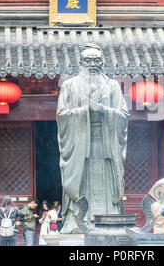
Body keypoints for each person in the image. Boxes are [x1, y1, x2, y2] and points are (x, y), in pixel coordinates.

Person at [56, 43, 129, 234]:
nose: (92, 64)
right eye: (88, 60)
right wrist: (84, 111)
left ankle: (110, 220)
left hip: (105, 146)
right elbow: (62, 115)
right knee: (81, 181)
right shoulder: (69, 86)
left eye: (97, 60)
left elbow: (123, 114)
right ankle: (76, 223)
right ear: (80, 62)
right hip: (80, 147)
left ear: (103, 62)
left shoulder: (112, 86)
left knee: (106, 185)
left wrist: (103, 110)